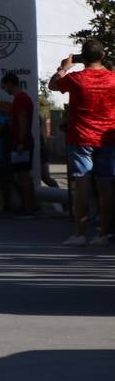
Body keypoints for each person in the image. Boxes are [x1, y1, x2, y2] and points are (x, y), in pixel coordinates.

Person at [49, 40, 115, 245]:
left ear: (82, 58)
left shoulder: (76, 79)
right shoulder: (113, 79)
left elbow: (53, 85)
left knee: (82, 184)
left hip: (81, 137)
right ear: (103, 56)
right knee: (107, 187)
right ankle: (103, 233)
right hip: (108, 138)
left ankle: (78, 233)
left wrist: (63, 68)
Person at [0, 72, 39, 216]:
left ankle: (29, 207)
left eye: (4, 86)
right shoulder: (19, 98)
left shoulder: (21, 98)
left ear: (10, 83)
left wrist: (21, 142)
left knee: (23, 176)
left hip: (22, 143)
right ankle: (29, 205)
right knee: (21, 175)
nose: (5, 89)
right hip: (20, 142)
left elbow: (23, 120)